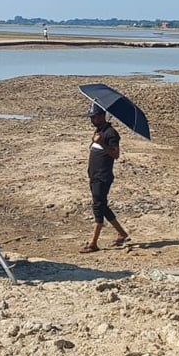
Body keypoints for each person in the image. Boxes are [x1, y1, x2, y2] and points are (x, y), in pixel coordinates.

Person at [79, 104, 129, 253]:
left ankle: (93, 243)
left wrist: (101, 143)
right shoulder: (100, 131)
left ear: (102, 116)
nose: (92, 120)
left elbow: (116, 154)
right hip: (94, 176)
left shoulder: (111, 133)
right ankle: (122, 233)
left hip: (103, 177)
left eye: (94, 117)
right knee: (102, 206)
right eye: (91, 117)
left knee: (98, 207)